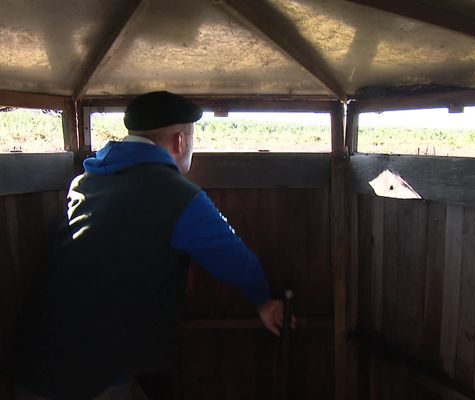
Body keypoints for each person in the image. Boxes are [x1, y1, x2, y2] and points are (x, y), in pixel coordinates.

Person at [14, 91, 284, 399]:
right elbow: (235, 259)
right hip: (91, 376)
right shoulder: (178, 195)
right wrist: (264, 301)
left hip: (34, 360)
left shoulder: (86, 182)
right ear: (180, 141)